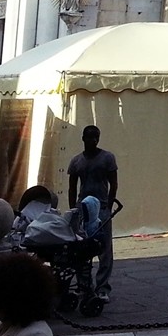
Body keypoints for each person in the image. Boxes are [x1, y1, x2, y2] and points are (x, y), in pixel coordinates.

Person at [67, 124, 118, 300]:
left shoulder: (107, 158)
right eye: (89, 137)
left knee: (104, 249)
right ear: (83, 138)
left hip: (101, 207)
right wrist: (73, 209)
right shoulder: (76, 161)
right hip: (83, 209)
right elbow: (72, 187)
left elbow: (114, 183)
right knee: (81, 249)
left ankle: (103, 288)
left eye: (95, 137)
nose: (93, 140)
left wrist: (109, 205)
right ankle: (84, 285)